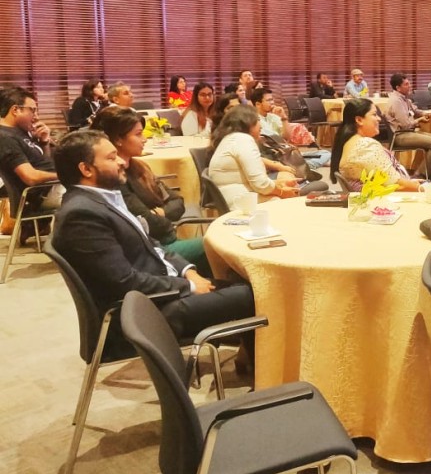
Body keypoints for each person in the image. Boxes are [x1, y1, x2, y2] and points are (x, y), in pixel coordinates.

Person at [50, 130, 255, 353]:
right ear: (86, 169)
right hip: (145, 313)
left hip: (161, 291)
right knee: (256, 294)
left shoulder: (101, 199)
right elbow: (124, 282)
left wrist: (188, 272)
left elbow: (153, 245)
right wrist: (189, 287)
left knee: (244, 282)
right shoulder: (81, 215)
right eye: (111, 157)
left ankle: (247, 357)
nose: (121, 162)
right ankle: (259, 368)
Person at [90, 106, 209, 273]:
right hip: (154, 251)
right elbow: (149, 224)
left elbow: (178, 201)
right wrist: (161, 215)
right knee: (217, 245)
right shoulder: (116, 180)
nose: (145, 139)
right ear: (118, 139)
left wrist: (161, 212)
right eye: (138, 134)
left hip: (165, 242)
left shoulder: (140, 167)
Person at [208, 105, 300, 209]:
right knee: (292, 200)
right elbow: (261, 184)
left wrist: (278, 184)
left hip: (235, 197)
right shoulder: (243, 140)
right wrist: (282, 192)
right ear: (248, 123)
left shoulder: (233, 138)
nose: (261, 126)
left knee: (287, 183)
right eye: (258, 120)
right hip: (240, 201)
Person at [330, 98, 423, 191]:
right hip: (391, 197)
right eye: (374, 114)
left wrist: (411, 182)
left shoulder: (350, 141)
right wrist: (423, 188)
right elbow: (396, 185)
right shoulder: (365, 146)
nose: (379, 119)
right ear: (359, 120)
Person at [0, 87, 64, 223]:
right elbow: (31, 177)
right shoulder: (5, 137)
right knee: (98, 193)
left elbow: (43, 163)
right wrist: (67, 175)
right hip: (40, 193)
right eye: (32, 110)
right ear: (15, 110)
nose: (37, 116)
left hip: (51, 187)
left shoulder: (20, 132)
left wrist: (44, 142)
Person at [385, 73, 431, 180]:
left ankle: (425, 171)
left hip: (408, 133)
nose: (410, 86)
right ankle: (420, 174)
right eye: (406, 84)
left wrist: (427, 114)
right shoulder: (396, 101)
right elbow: (406, 125)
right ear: (398, 88)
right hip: (400, 136)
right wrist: (419, 120)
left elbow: (415, 111)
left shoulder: (404, 99)